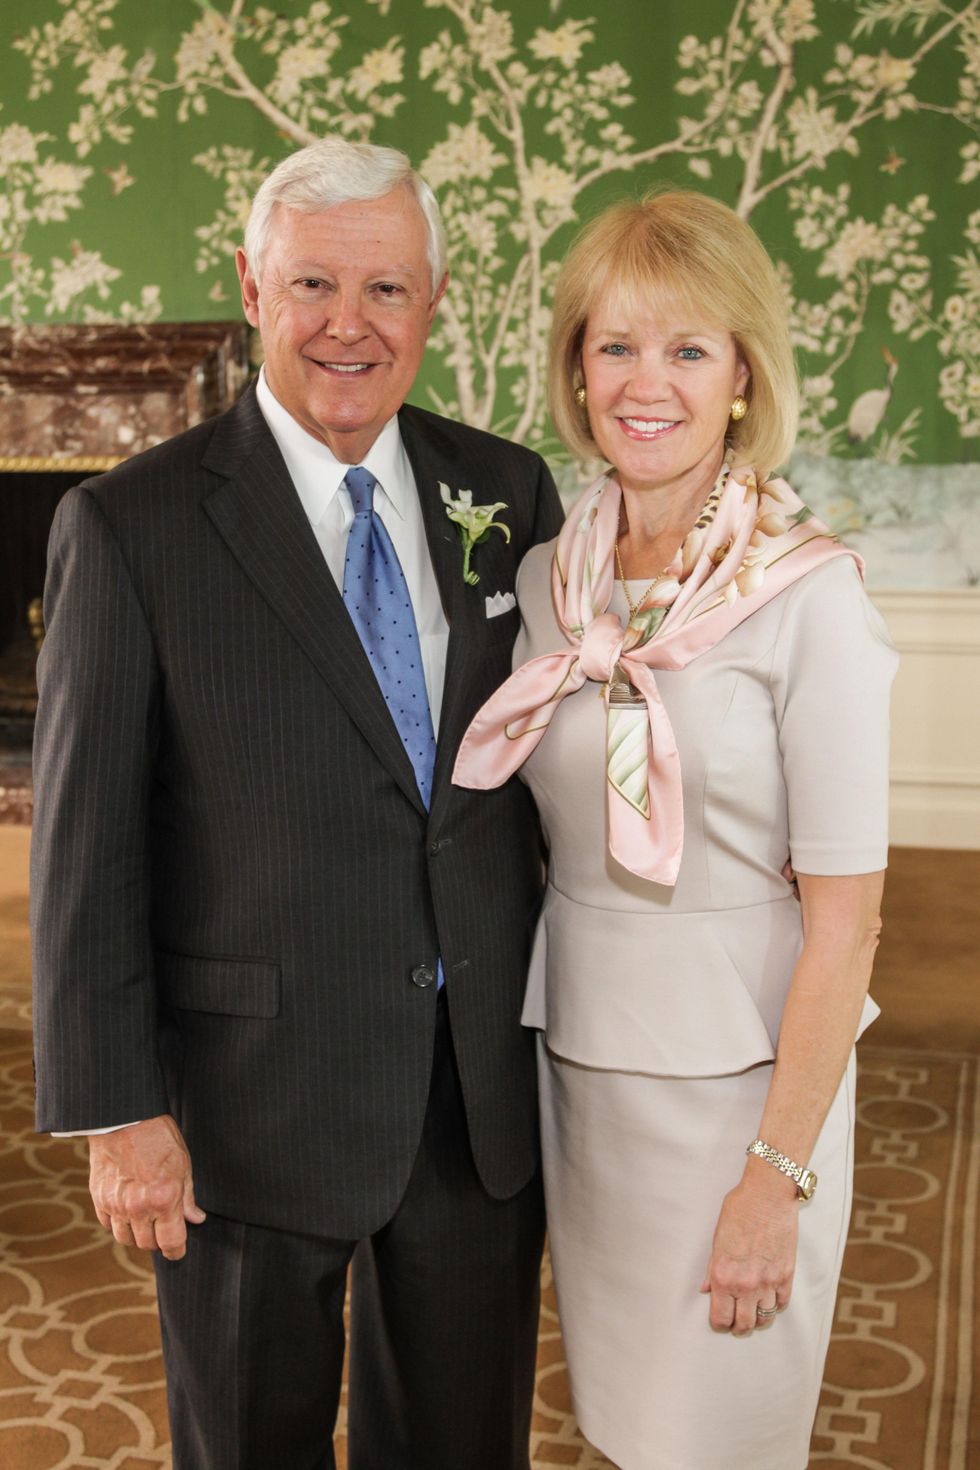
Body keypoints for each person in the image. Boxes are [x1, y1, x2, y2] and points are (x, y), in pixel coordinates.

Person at [30, 137, 563, 1470]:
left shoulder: (508, 492)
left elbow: (549, 788)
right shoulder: (130, 527)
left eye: (387, 289)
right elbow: (83, 851)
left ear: (433, 302)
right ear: (253, 289)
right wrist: (119, 1112)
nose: (349, 322)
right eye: (313, 281)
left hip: (471, 1104)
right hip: (240, 1113)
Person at [453, 189, 898, 1470]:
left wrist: (775, 1179)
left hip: (742, 1093)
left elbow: (849, 925)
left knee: (716, 1440)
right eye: (617, 346)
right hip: (578, 1064)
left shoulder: (806, 597)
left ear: (743, 379)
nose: (648, 383)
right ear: (576, 371)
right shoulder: (548, 579)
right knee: (620, 1424)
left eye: (688, 350)